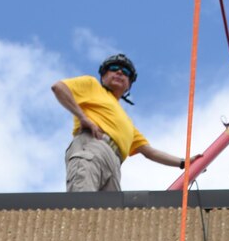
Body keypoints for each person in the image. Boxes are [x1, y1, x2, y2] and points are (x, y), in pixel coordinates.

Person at [52, 55, 186, 193]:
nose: (120, 72)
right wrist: (82, 117)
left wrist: (183, 163)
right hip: (92, 145)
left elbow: (150, 152)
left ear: (128, 84)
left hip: (115, 163)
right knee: (83, 202)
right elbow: (59, 87)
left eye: (125, 72)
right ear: (103, 76)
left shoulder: (127, 123)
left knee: (108, 213)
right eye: (114, 68)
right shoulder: (92, 86)